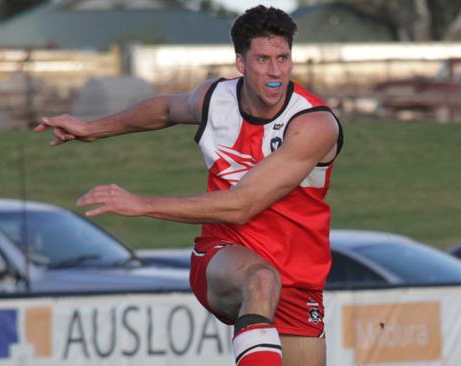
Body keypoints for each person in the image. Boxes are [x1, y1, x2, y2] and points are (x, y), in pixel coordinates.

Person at [35, 5, 342, 366]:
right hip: (224, 254)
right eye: (262, 59)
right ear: (241, 63)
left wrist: (143, 204)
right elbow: (165, 110)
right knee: (260, 279)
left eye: (283, 58)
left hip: (297, 275)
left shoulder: (313, 124)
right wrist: (92, 127)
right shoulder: (215, 99)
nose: (275, 71)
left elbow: (243, 203)